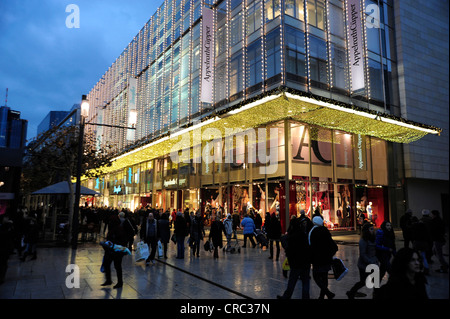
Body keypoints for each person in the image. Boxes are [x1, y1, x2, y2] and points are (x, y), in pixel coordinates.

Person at [277, 215, 313, 299]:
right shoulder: (304, 235)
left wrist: (288, 251)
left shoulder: (292, 237)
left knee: (292, 281)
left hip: (296, 263)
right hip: (305, 262)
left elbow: (284, 240)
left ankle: (286, 296)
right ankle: (306, 297)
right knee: (305, 282)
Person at [102, 212, 134, 288]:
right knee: (109, 264)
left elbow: (122, 239)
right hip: (111, 250)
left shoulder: (119, 229)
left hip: (117, 250)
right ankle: (109, 280)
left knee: (117, 266)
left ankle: (119, 282)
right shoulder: (114, 229)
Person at [346, 222, 378, 299]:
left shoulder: (374, 238)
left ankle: (376, 295)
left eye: (373, 229)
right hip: (364, 265)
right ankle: (351, 292)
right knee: (363, 282)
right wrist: (370, 262)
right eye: (371, 229)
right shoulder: (363, 241)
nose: (373, 230)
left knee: (376, 282)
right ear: (366, 230)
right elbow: (363, 254)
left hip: (374, 264)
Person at [308, 216, 337, 299]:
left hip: (317, 258)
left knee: (316, 276)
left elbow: (311, 245)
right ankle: (323, 295)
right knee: (324, 277)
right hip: (327, 258)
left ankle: (327, 293)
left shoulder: (312, 231)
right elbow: (332, 244)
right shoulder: (325, 231)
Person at [0, 214, 14, 285]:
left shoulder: (8, 226)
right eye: (6, 218)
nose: (7, 219)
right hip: (4, 247)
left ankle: (2, 277)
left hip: (4, 247)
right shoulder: (6, 226)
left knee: (3, 263)